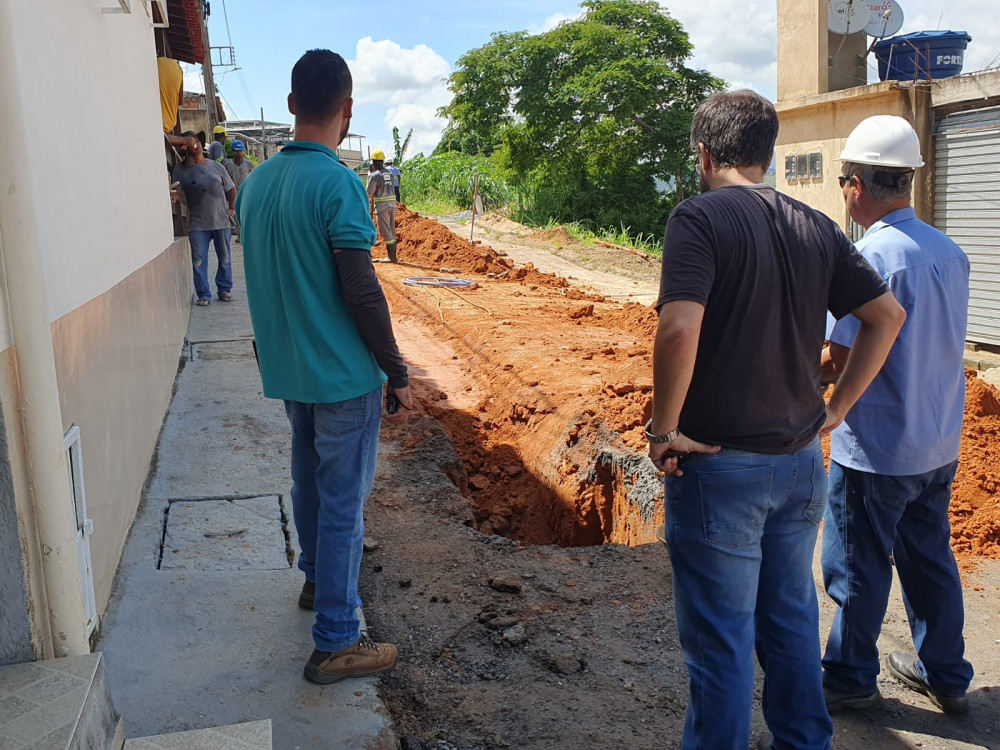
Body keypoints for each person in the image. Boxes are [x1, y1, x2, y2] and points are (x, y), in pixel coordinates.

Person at [646, 89, 906, 750]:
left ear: (703, 153)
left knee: (721, 642)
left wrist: (663, 429)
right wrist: (836, 409)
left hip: (719, 466)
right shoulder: (816, 224)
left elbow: (679, 328)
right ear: (767, 154)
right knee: (790, 623)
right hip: (798, 465)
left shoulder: (698, 219)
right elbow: (886, 317)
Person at [236, 49, 413, 684]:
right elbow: (362, 292)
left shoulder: (254, 183)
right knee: (343, 502)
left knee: (308, 481)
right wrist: (395, 368)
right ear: (346, 110)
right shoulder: (337, 182)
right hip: (342, 375)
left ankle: (316, 582)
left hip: (290, 370)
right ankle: (337, 638)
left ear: (289, 106)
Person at [820, 116, 974, 716]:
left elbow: (838, 357)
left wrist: (815, 393)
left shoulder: (870, 257)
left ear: (857, 184)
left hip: (878, 449)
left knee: (856, 563)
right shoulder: (949, 250)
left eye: (842, 182)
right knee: (930, 558)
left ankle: (850, 678)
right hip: (936, 443)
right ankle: (948, 674)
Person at [173, 130, 236, 305]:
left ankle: (224, 290)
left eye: (198, 141)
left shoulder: (217, 166)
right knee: (198, 260)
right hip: (198, 224)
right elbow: (178, 192)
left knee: (224, 258)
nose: (197, 144)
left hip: (221, 221)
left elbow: (231, 189)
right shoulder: (181, 170)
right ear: (185, 147)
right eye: (192, 142)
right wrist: (176, 197)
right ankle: (203, 295)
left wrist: (232, 208)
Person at [367, 149, 398, 262]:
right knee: (391, 230)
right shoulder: (389, 173)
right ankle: (393, 256)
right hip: (392, 204)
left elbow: (369, 192)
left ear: (374, 163)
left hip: (382, 206)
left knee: (385, 231)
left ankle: (391, 257)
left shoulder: (375, 176)